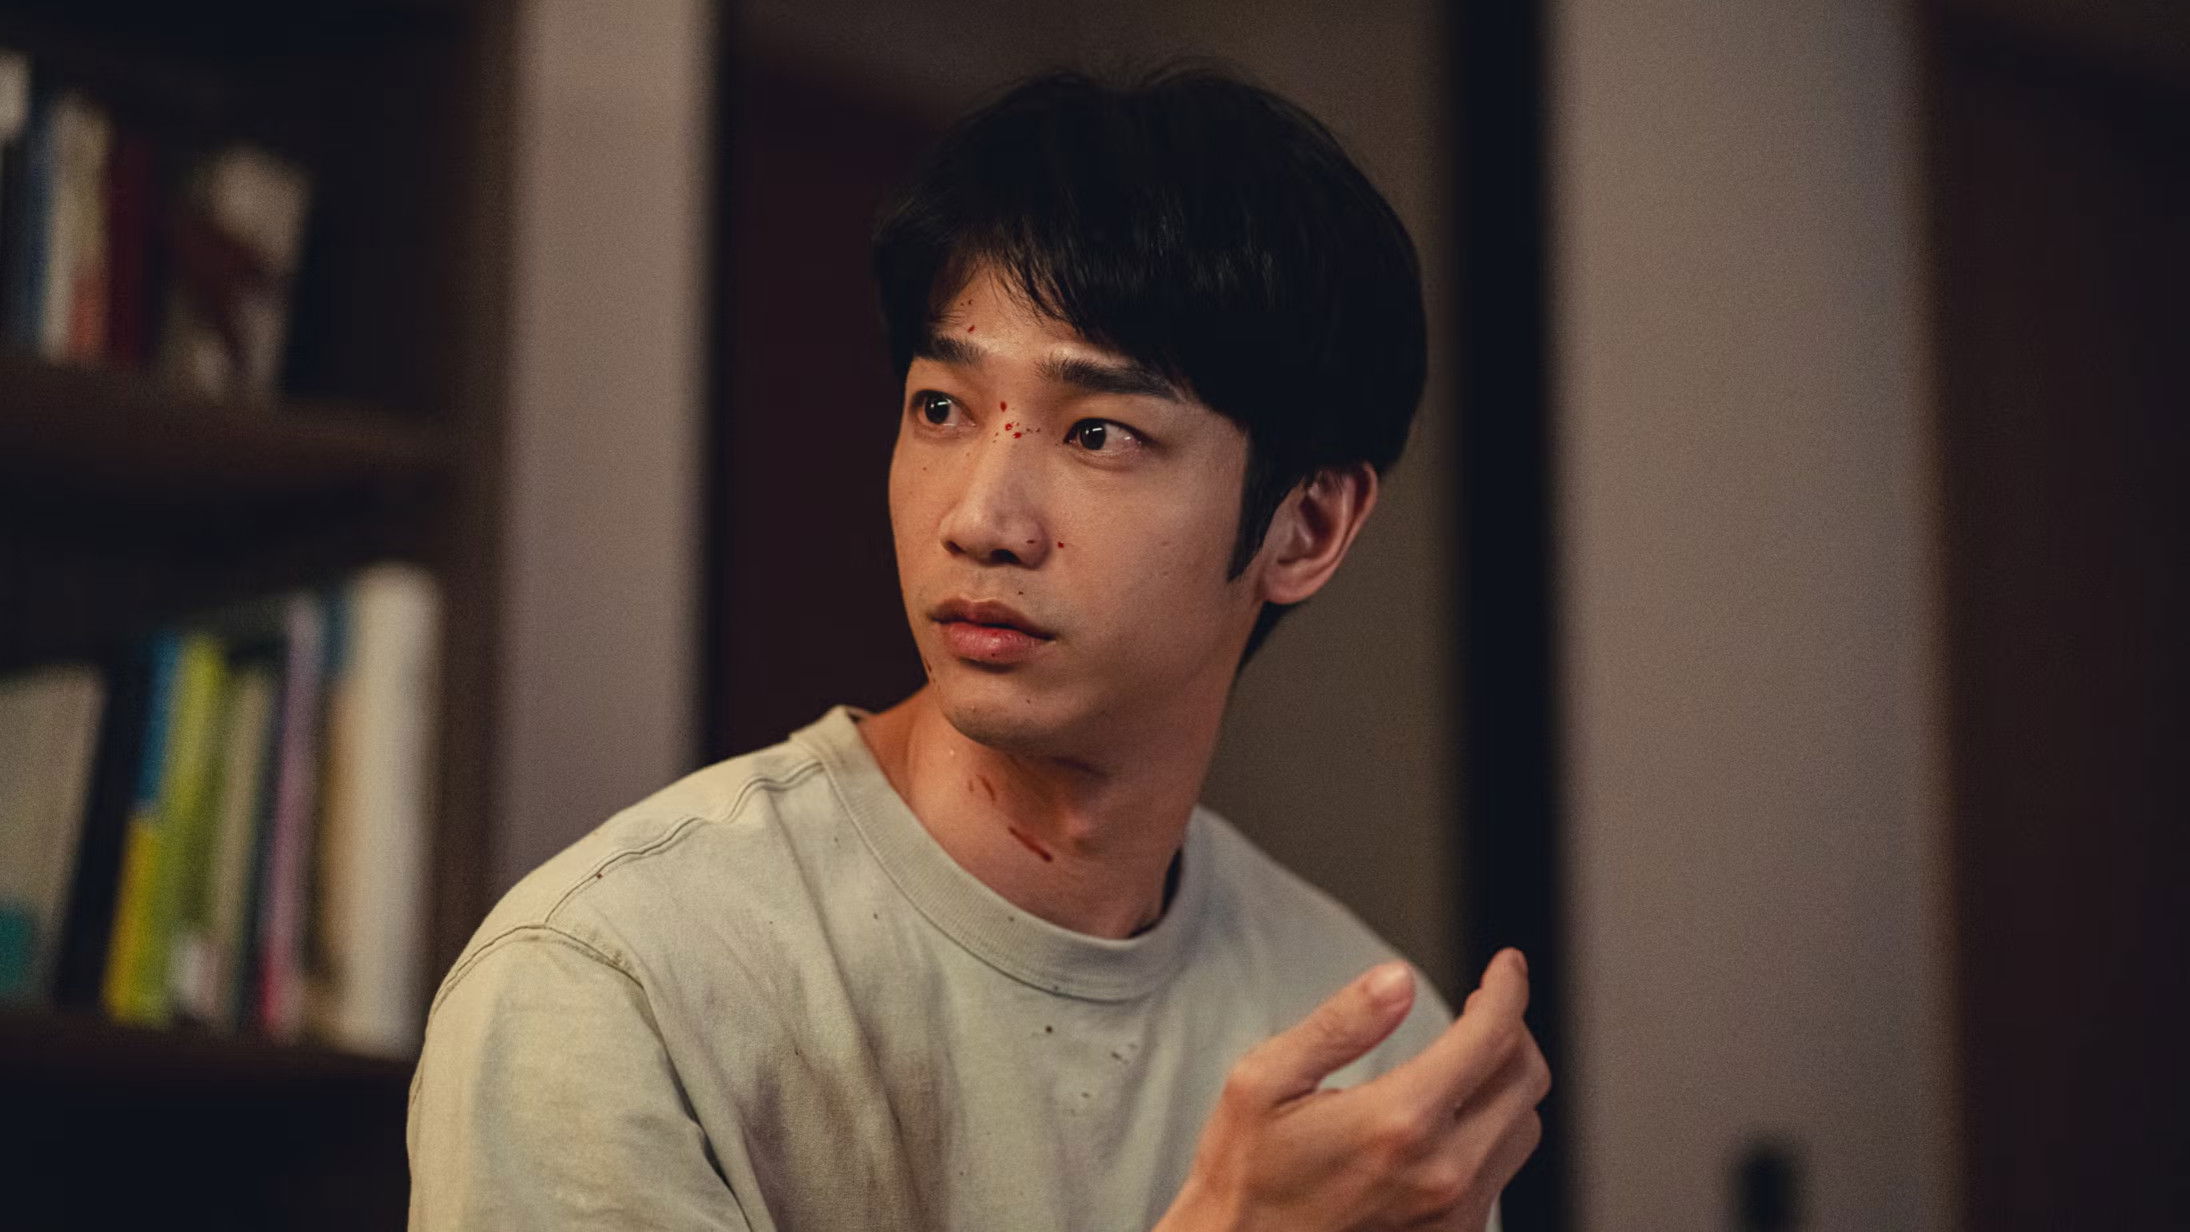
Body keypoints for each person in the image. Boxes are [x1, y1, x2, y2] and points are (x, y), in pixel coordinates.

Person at [407, 65, 1548, 1232]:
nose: (981, 518)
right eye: (941, 409)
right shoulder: (611, 980)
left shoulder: (1369, 1066)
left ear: (1306, 526)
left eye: (1097, 432)